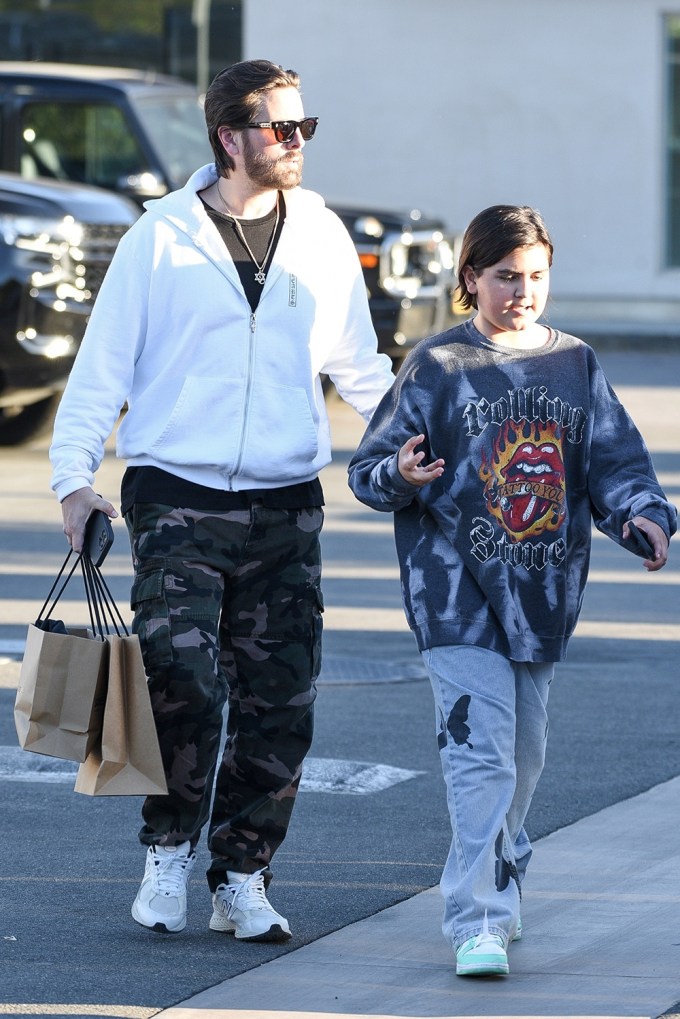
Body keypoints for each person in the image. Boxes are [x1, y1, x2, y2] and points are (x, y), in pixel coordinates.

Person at [49, 59, 394, 942]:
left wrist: (414, 436)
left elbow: (359, 366)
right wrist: (72, 479)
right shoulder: (159, 237)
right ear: (229, 136)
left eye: (303, 128)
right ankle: (169, 846)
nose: (295, 143)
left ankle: (242, 871)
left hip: (285, 502)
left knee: (282, 701)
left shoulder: (318, 233)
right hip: (177, 499)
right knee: (183, 681)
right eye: (281, 129)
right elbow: (101, 371)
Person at [347, 205, 676, 977]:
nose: (522, 292)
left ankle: (502, 860)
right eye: (504, 277)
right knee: (481, 756)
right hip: (453, 592)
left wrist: (643, 517)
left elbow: (614, 463)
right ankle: (478, 918)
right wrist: (401, 474)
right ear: (471, 278)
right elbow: (369, 468)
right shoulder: (437, 365)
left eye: (534, 276)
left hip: (542, 594)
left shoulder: (575, 365)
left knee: (524, 756)